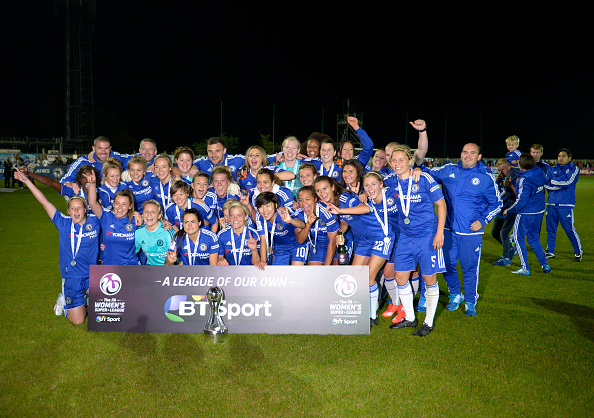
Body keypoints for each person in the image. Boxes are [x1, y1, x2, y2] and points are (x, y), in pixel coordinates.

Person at [420, 142, 502, 317]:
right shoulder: (449, 170)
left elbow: (497, 203)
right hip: (448, 229)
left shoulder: (486, 177)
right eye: (465, 151)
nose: (468, 155)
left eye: (472, 153)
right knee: (447, 264)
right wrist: (418, 169)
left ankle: (471, 301)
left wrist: (483, 219)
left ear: (479, 157)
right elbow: (427, 173)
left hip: (470, 232)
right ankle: (456, 294)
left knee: (469, 267)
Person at [14, 168, 99, 324]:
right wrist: (27, 181)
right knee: (79, 321)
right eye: (72, 208)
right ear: (68, 210)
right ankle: (63, 301)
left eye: (79, 208)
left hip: (92, 275)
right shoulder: (63, 223)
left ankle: (86, 296)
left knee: (103, 304)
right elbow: (44, 201)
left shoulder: (95, 222)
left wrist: (92, 185)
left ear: (85, 210)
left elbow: (94, 202)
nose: (76, 211)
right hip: (71, 276)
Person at [383, 146, 446, 336]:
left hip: (427, 235)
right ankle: (410, 318)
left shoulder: (423, 178)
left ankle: (428, 322)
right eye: (394, 161)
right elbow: (373, 183)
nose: (397, 164)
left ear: (410, 161)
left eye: (402, 160)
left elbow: (441, 205)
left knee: (429, 278)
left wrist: (440, 233)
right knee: (400, 277)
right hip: (405, 236)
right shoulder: (391, 181)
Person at [325, 172, 397, 326]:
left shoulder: (346, 197)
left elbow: (365, 209)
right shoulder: (336, 201)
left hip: (381, 236)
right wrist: (341, 233)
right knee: (356, 277)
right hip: (365, 239)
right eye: (367, 185)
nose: (322, 193)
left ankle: (371, 317)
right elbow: (345, 221)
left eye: (324, 189)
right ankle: (360, 308)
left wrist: (340, 211)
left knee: (369, 277)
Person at [503, 154, 551, 275]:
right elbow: (545, 184)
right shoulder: (539, 171)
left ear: (521, 165)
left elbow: (522, 201)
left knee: (518, 239)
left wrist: (509, 210)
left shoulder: (524, 180)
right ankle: (544, 264)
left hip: (526, 213)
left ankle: (525, 268)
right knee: (534, 238)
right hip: (539, 211)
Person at [87, 182, 141, 266]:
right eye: (117, 203)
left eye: (124, 204)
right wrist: (93, 184)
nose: (119, 207)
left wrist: (164, 221)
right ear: (113, 204)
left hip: (131, 266)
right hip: (109, 266)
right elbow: (92, 203)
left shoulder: (136, 220)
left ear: (130, 206)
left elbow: (154, 223)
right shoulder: (106, 216)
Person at [545, 148, 582, 261]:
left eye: (563, 156)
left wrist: (554, 181)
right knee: (550, 229)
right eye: (559, 156)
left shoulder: (574, 168)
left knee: (569, 229)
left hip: (566, 204)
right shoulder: (552, 169)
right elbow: (545, 183)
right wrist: (560, 182)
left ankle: (578, 252)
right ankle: (550, 251)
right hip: (551, 204)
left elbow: (570, 182)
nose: (560, 158)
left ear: (569, 158)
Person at [255, 192, 307, 266]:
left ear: (276, 205)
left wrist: (290, 220)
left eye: (267, 206)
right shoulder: (260, 217)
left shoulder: (283, 212)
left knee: (296, 271)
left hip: (297, 244)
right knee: (278, 274)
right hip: (280, 247)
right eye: (261, 207)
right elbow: (263, 239)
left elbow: (302, 225)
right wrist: (263, 261)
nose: (264, 210)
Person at [296, 185, 339, 265]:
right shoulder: (299, 213)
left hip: (336, 243)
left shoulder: (327, 212)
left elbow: (332, 241)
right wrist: (308, 224)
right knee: (314, 273)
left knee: (336, 273)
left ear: (315, 199)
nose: (304, 203)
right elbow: (300, 240)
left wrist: (326, 267)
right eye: (301, 200)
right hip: (317, 244)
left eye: (307, 199)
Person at [216, 200, 264, 269]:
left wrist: (254, 250)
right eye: (232, 215)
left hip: (249, 274)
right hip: (229, 273)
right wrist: (220, 260)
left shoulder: (254, 234)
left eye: (239, 215)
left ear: (245, 217)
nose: (235, 219)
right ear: (229, 217)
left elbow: (257, 264)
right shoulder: (222, 235)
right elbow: (219, 257)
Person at [491, 158, 518, 266]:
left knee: (504, 233)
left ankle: (506, 258)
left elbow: (512, 193)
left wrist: (492, 199)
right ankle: (511, 248)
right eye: (499, 170)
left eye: (502, 169)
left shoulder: (513, 175)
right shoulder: (505, 175)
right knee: (494, 232)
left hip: (512, 208)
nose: (501, 172)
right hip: (504, 208)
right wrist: (498, 183)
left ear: (509, 166)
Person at [135, 200, 176, 265]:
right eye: (146, 211)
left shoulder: (167, 232)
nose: (149, 214)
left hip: (168, 268)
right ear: (142, 214)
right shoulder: (138, 232)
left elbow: (172, 259)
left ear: (159, 215)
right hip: (150, 268)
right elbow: (133, 252)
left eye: (153, 212)